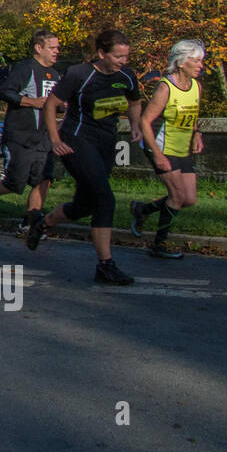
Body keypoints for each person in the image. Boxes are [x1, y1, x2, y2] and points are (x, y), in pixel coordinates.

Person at [27, 29, 143, 285]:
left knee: (85, 205)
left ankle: (41, 223)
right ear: (102, 53)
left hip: (105, 144)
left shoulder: (127, 76)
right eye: (118, 56)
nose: (123, 61)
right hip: (75, 141)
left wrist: (135, 124)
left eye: (126, 56)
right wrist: (55, 140)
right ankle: (105, 266)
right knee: (105, 200)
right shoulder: (80, 74)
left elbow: (135, 102)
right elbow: (50, 105)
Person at [0, 29, 61, 237]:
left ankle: (30, 223)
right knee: (16, 182)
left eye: (58, 48)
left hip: (43, 138)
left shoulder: (55, 74)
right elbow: (5, 92)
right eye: (52, 48)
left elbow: (55, 103)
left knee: (43, 179)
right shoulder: (26, 69)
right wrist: (31, 102)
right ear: (38, 48)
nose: (56, 52)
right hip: (20, 136)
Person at [131, 39, 206, 258]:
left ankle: (142, 210)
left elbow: (193, 113)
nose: (201, 65)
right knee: (177, 195)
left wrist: (197, 133)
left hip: (181, 147)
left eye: (202, 60)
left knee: (189, 199)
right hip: (160, 145)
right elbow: (145, 121)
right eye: (196, 60)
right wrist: (157, 154)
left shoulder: (196, 86)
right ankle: (159, 245)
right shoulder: (166, 87)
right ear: (181, 62)